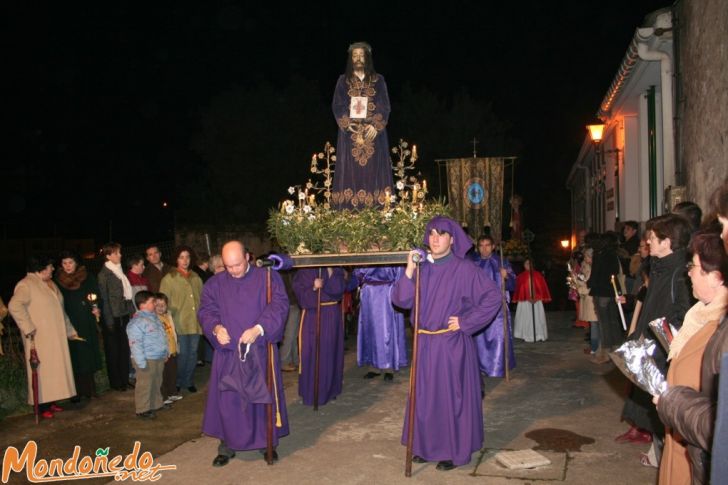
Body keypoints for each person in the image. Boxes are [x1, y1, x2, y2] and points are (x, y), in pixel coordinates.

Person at [391, 216, 501, 471]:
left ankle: (454, 450)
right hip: (424, 343)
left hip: (450, 344)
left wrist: (466, 321)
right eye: (431, 234)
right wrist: (408, 269)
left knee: (451, 400)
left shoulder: (464, 269)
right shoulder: (421, 267)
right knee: (426, 399)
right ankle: (426, 446)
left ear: (452, 239)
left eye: (441, 234)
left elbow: (492, 297)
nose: (435, 239)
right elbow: (401, 300)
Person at [197, 241, 290, 467]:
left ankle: (266, 443)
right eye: (228, 266)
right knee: (229, 402)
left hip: (259, 351)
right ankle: (227, 445)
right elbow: (206, 310)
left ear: (247, 257)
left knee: (261, 400)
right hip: (228, 353)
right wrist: (216, 328)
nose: (234, 271)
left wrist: (259, 328)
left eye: (237, 264)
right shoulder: (215, 284)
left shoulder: (267, 277)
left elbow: (279, 305)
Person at [616, 214, 692, 465]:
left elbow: (682, 317)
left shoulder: (680, 274)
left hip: (664, 355)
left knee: (664, 416)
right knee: (652, 413)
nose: (648, 240)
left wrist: (661, 341)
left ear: (667, 242)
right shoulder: (660, 268)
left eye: (653, 236)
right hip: (650, 350)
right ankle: (658, 456)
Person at [656, 230, 727, 484]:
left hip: (696, 453)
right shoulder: (699, 315)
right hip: (681, 437)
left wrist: (672, 400)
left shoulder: (718, 328)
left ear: (716, 277)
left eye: (694, 267)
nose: (689, 273)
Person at [8, 255, 79, 419]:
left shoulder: (49, 284)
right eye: (50, 266)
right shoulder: (26, 284)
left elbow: (61, 310)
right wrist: (28, 327)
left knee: (54, 370)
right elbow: (14, 305)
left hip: (55, 335)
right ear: (40, 268)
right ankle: (41, 406)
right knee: (43, 371)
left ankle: (51, 401)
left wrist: (70, 330)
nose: (53, 269)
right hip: (40, 337)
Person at [331, 41, 393, 209]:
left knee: (375, 174)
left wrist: (375, 125)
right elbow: (337, 105)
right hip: (350, 136)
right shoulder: (343, 81)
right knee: (350, 174)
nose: (358, 58)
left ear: (367, 58)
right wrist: (347, 122)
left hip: (374, 136)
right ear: (351, 59)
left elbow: (384, 105)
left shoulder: (378, 80)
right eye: (355, 55)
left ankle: (378, 213)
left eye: (361, 55)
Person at [54, 250, 103, 401]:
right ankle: (74, 393)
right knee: (73, 357)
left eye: (70, 262)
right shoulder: (57, 281)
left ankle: (90, 389)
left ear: (77, 263)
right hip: (68, 322)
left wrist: (95, 306)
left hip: (85, 320)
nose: (68, 266)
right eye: (64, 263)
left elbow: (95, 295)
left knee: (87, 354)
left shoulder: (87, 277)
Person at [293, 267, 346, 406]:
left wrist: (330, 272)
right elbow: (301, 296)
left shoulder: (335, 269)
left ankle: (330, 390)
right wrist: (314, 288)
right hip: (314, 315)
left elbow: (339, 291)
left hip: (332, 314)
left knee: (331, 353)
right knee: (313, 354)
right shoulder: (305, 271)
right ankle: (312, 393)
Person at [159, 245, 203, 393]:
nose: (185, 260)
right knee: (182, 354)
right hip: (178, 323)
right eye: (181, 257)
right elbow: (162, 303)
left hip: (195, 323)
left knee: (193, 353)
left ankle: (188, 380)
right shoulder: (169, 279)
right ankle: (177, 381)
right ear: (176, 259)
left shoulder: (196, 277)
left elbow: (202, 299)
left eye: (188, 257)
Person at [352, 266, 408, 381]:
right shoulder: (364, 250)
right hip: (369, 293)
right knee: (370, 329)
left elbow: (399, 273)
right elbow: (358, 272)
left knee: (387, 330)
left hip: (387, 293)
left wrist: (398, 294)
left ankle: (389, 366)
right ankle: (373, 365)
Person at [471, 235, 516, 377]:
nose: (484, 249)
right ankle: (479, 368)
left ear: (493, 247)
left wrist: (506, 276)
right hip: (478, 307)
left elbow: (513, 285)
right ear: (478, 247)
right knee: (479, 339)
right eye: (481, 245)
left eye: (487, 245)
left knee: (499, 338)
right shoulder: (473, 263)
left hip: (498, 309)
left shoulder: (501, 262)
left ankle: (497, 367)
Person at [97, 242, 135, 391]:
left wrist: (131, 311)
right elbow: (104, 299)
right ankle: (116, 383)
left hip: (123, 314)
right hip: (112, 317)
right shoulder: (104, 274)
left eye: (119, 252)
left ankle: (125, 379)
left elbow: (126, 296)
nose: (120, 255)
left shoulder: (119, 271)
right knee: (113, 351)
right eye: (116, 253)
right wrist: (109, 320)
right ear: (108, 256)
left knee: (124, 348)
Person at [127, 291, 169, 419]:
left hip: (157, 356)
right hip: (146, 358)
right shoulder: (137, 322)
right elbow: (135, 344)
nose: (155, 304)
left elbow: (162, 336)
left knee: (156, 381)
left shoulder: (154, 317)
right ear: (142, 304)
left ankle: (156, 404)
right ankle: (142, 409)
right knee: (145, 384)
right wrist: (140, 362)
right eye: (152, 302)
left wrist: (165, 352)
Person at [587, 232, 624, 364]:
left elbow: (595, 273)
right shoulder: (614, 255)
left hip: (600, 290)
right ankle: (617, 350)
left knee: (604, 322)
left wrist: (589, 283)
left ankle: (605, 353)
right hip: (611, 290)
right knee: (613, 321)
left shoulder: (600, 254)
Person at [512, 258, 552, 342]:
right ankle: (525, 334)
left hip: (536, 302)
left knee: (537, 317)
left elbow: (542, 288)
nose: (528, 265)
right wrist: (526, 297)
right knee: (525, 318)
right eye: (526, 263)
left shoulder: (538, 275)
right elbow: (519, 290)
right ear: (524, 265)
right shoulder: (520, 277)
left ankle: (539, 335)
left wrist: (536, 297)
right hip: (525, 301)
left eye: (530, 263)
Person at [155, 292, 182, 405]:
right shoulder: (154, 319)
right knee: (163, 375)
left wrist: (176, 346)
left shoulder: (168, 316)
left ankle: (172, 392)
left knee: (172, 373)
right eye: (158, 305)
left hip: (172, 350)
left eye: (163, 305)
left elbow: (172, 332)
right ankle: (163, 396)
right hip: (163, 352)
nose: (161, 307)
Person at [575, 248, 599, 355]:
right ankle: (594, 346)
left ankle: (595, 347)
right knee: (592, 322)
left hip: (591, 296)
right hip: (586, 296)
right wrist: (576, 280)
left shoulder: (595, 267)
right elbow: (582, 278)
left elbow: (590, 283)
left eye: (587, 257)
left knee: (594, 322)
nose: (585, 259)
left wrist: (581, 288)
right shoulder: (585, 265)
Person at [278, 269, 300, 373]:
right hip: (290, 303)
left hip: (292, 303)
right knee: (290, 334)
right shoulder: (285, 272)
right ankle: (284, 361)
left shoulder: (287, 271)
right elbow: (291, 289)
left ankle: (294, 360)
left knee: (294, 334)